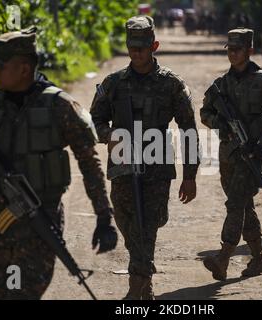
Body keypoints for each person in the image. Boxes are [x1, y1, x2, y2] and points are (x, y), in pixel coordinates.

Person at [0, 26, 117, 299]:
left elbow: (89, 163)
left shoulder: (60, 107)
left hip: (41, 222)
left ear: (24, 68)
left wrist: (104, 217)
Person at [90, 16, 199, 299]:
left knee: (148, 223)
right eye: (131, 47)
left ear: (155, 46)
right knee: (127, 222)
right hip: (123, 164)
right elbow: (94, 120)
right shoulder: (113, 84)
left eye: (142, 48)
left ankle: (138, 285)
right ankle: (143, 276)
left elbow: (188, 129)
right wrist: (109, 135)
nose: (136, 53)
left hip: (157, 164)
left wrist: (190, 175)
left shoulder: (171, 84)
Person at [200, 28, 262, 279]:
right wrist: (220, 123)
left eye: (238, 50)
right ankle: (259, 259)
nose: (232, 54)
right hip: (228, 155)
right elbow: (204, 114)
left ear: (250, 51)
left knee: (235, 203)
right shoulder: (220, 85)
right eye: (230, 50)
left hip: (251, 155)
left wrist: (261, 143)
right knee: (244, 205)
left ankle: (223, 257)